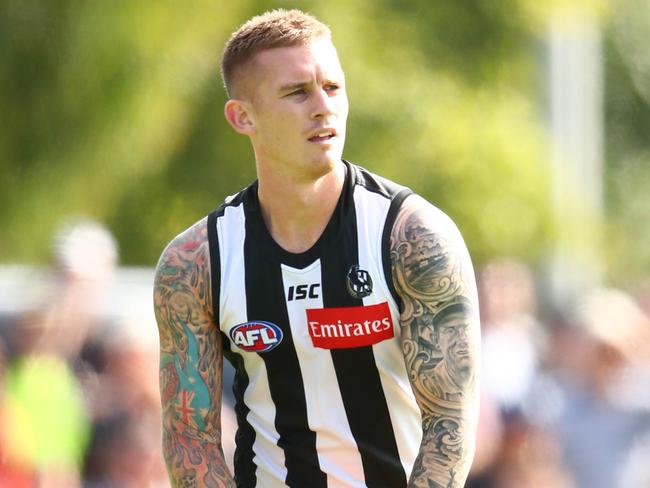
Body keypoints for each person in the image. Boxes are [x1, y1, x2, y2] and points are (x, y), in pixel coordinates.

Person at [153, 9, 480, 488]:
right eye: (297, 92)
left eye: (333, 87)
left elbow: (449, 426)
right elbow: (189, 438)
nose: (323, 107)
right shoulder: (197, 262)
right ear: (243, 116)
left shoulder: (412, 238)